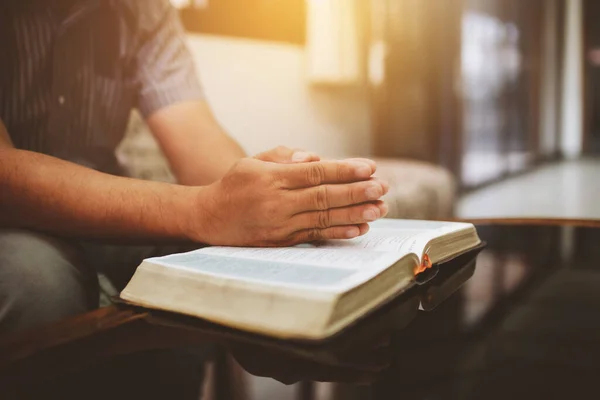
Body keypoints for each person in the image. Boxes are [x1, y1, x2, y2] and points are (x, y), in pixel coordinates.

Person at [0, 0, 387, 398]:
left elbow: (199, 146)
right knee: (38, 281)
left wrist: (272, 190)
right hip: (10, 226)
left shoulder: (145, 11)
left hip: (100, 216)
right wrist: (205, 209)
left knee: (208, 259)